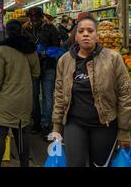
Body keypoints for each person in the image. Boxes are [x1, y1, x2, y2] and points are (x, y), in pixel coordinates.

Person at [51, 16, 131, 167]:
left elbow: (125, 94)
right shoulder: (65, 60)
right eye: (81, 31)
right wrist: (56, 127)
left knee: (100, 164)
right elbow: (59, 94)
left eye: (90, 30)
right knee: (75, 163)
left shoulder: (113, 58)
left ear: (97, 36)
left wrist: (124, 131)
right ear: (75, 36)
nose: (85, 34)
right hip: (74, 123)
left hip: (104, 125)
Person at [0, 20, 41, 167]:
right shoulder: (30, 49)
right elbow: (36, 73)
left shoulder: (1, 50)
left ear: (6, 31)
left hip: (5, 100)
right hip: (24, 99)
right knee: (22, 135)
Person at [23, 7, 61, 138]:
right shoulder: (26, 29)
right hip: (32, 67)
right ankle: (36, 122)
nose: (33, 20)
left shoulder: (51, 29)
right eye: (31, 18)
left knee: (47, 96)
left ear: (41, 17)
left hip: (48, 66)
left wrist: (46, 52)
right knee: (33, 96)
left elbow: (58, 48)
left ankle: (46, 124)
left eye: (36, 18)